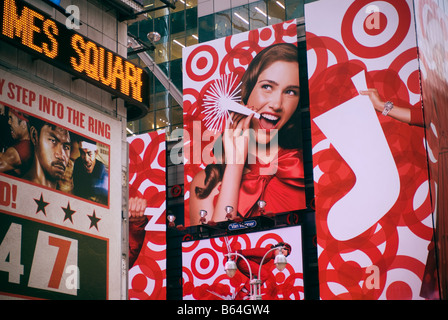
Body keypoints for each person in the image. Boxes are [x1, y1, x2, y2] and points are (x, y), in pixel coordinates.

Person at [189, 43, 306, 224]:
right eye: (267, 87)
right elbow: (216, 246)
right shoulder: (206, 182)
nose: (277, 104)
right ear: (247, 93)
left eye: (291, 92)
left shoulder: (307, 165)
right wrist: (235, 165)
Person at [23, 118, 71, 189]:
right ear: (34, 136)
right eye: (53, 141)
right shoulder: (20, 187)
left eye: (66, 147)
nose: (61, 156)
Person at [72, 139, 109, 205]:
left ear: (96, 153)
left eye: (89, 154)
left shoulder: (101, 169)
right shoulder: (78, 163)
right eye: (82, 153)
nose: (86, 159)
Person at [0, 107, 33, 177]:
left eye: (11, 118)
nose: (9, 122)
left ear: (23, 124)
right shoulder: (26, 145)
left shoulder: (19, 151)